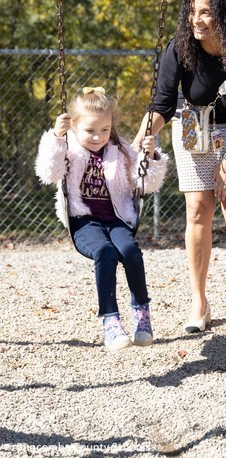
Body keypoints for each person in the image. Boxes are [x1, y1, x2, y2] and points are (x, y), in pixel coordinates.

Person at [133, 0, 226, 335]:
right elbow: (162, 104)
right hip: (194, 127)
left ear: (223, 14)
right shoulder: (179, 47)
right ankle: (199, 301)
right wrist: (142, 137)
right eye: (192, 11)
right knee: (198, 209)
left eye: (205, 12)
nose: (196, 19)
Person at [35, 87, 168, 351]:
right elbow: (48, 173)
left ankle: (142, 315)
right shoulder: (68, 148)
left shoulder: (120, 151)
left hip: (117, 219)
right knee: (105, 252)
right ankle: (110, 321)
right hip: (84, 222)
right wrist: (56, 137)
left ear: (111, 127)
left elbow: (146, 184)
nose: (98, 137)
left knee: (130, 250)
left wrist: (150, 156)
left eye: (104, 130)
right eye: (90, 130)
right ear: (74, 126)